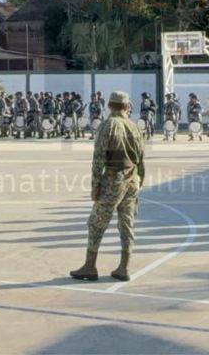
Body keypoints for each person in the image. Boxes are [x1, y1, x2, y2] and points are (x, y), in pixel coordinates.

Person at [70, 91, 145, 282]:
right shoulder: (134, 126)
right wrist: (138, 182)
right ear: (127, 106)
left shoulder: (109, 125)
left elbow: (99, 158)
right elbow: (142, 160)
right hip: (132, 179)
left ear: (110, 106)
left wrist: (96, 185)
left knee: (96, 222)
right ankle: (124, 267)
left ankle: (89, 266)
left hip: (114, 179)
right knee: (127, 223)